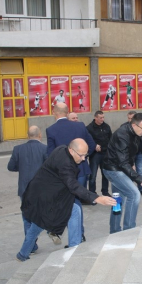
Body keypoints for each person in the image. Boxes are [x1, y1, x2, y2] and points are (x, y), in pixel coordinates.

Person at [18, 140, 116, 260]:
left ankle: (74, 246)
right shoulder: (65, 164)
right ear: (71, 150)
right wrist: (97, 198)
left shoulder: (62, 148)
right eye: (81, 155)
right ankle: (23, 254)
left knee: (74, 210)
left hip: (49, 192)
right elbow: (73, 185)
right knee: (37, 226)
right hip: (44, 198)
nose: (84, 159)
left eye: (86, 155)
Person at [46, 103, 96, 243]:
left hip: (63, 174)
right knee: (76, 201)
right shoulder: (79, 126)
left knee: (70, 203)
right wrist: (82, 159)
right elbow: (91, 145)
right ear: (67, 112)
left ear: (54, 112)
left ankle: (76, 236)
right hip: (81, 171)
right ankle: (79, 234)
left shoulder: (51, 130)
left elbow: (51, 155)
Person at [102, 113, 142, 233]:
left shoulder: (135, 133)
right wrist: (140, 180)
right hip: (113, 170)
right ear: (134, 125)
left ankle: (114, 231)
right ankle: (128, 231)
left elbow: (130, 154)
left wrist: (132, 164)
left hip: (120, 167)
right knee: (134, 195)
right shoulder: (122, 134)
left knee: (118, 201)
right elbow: (122, 162)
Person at [7, 126, 47, 253]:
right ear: (40, 135)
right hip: (40, 188)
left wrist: (23, 168)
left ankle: (31, 244)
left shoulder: (18, 149)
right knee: (38, 216)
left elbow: (11, 167)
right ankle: (31, 244)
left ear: (27, 135)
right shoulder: (44, 149)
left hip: (24, 188)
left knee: (26, 217)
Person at [86, 111, 112, 197]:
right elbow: (87, 140)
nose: (102, 119)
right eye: (100, 118)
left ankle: (105, 192)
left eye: (103, 117)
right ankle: (92, 193)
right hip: (95, 155)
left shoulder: (106, 126)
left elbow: (111, 139)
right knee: (93, 175)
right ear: (95, 118)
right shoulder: (89, 128)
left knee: (105, 174)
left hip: (105, 154)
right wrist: (94, 145)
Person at [126, 111, 142, 196]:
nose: (130, 120)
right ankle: (130, 189)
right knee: (129, 171)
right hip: (129, 154)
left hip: (139, 152)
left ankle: (141, 189)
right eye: (129, 118)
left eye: (132, 118)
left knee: (139, 170)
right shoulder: (124, 128)